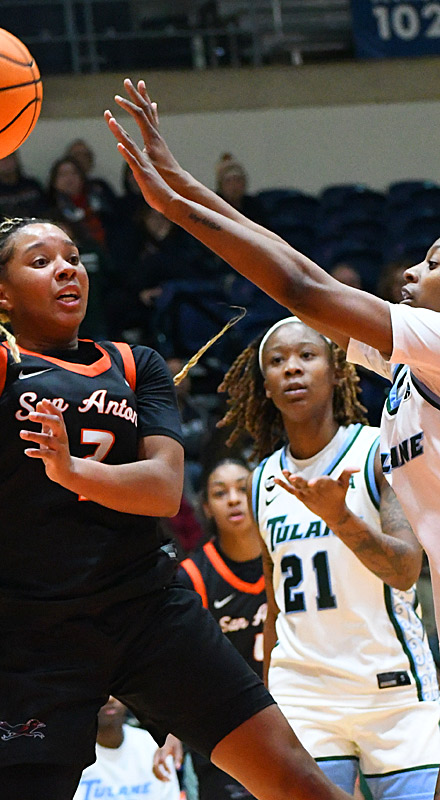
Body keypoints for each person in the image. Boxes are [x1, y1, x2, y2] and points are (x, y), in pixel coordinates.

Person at [0, 142, 355, 800]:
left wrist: (71, 471)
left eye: (71, 258)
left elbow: (161, 490)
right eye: (41, 262)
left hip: (147, 606)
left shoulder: (135, 364)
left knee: (294, 778)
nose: (67, 270)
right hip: (35, 632)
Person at [105, 79, 440, 638]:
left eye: (433, 264)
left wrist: (179, 210)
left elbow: (303, 289)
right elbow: (306, 277)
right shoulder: (413, 364)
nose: (411, 272)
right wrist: (183, 185)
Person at [222, 317, 440, 797]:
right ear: (266, 386)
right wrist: (267, 697)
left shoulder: (376, 450)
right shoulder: (261, 479)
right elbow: (275, 603)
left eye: (306, 356)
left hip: (393, 691)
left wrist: (340, 517)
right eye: (277, 362)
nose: (292, 369)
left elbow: (406, 571)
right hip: (304, 694)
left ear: (338, 370)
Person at [155, 458, 267, 800]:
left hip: (296, 712)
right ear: (206, 507)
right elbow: (179, 663)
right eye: (221, 493)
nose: (233, 499)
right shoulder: (193, 575)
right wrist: (171, 732)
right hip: (225, 725)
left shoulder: (287, 556)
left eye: (243, 489)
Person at [73, 697, 180, 800]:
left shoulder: (154, 745)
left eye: (115, 692)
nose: (110, 699)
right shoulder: (71, 752)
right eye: (102, 692)